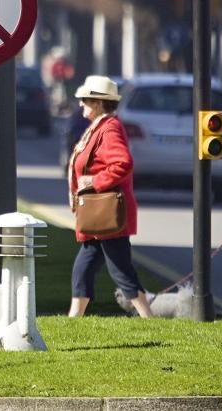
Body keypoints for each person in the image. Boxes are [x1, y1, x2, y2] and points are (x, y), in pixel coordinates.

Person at [66, 75, 152, 318]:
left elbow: (123, 163)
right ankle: (74, 318)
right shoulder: (98, 128)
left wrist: (94, 181)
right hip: (98, 216)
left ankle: (148, 316)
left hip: (107, 214)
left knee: (120, 270)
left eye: (85, 99)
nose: (80, 103)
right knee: (83, 268)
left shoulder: (109, 128)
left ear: (98, 102)